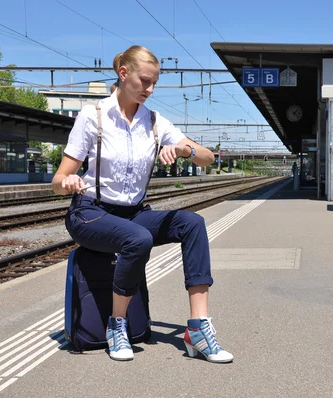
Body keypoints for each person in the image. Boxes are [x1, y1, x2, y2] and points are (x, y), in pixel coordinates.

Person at [52, 45, 233, 363]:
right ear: (124, 75)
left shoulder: (154, 122)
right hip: (89, 213)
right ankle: (116, 325)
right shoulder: (93, 116)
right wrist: (67, 182)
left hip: (133, 213)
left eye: (154, 83)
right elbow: (59, 179)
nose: (150, 89)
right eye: (145, 81)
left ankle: (198, 330)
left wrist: (182, 150)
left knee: (192, 223)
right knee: (138, 239)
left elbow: (206, 157)